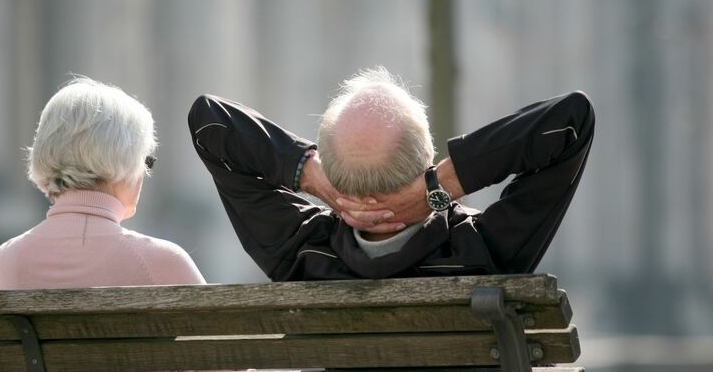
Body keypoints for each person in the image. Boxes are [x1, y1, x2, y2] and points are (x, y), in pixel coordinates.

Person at [188, 67, 594, 281]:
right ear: (428, 155)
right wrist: (440, 188)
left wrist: (313, 179)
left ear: (334, 170)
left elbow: (211, 124)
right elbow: (572, 121)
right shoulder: (484, 250)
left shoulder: (299, 254)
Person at [0, 77, 206, 289]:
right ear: (126, 159)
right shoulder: (163, 260)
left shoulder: (8, 257)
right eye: (146, 161)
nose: (145, 173)